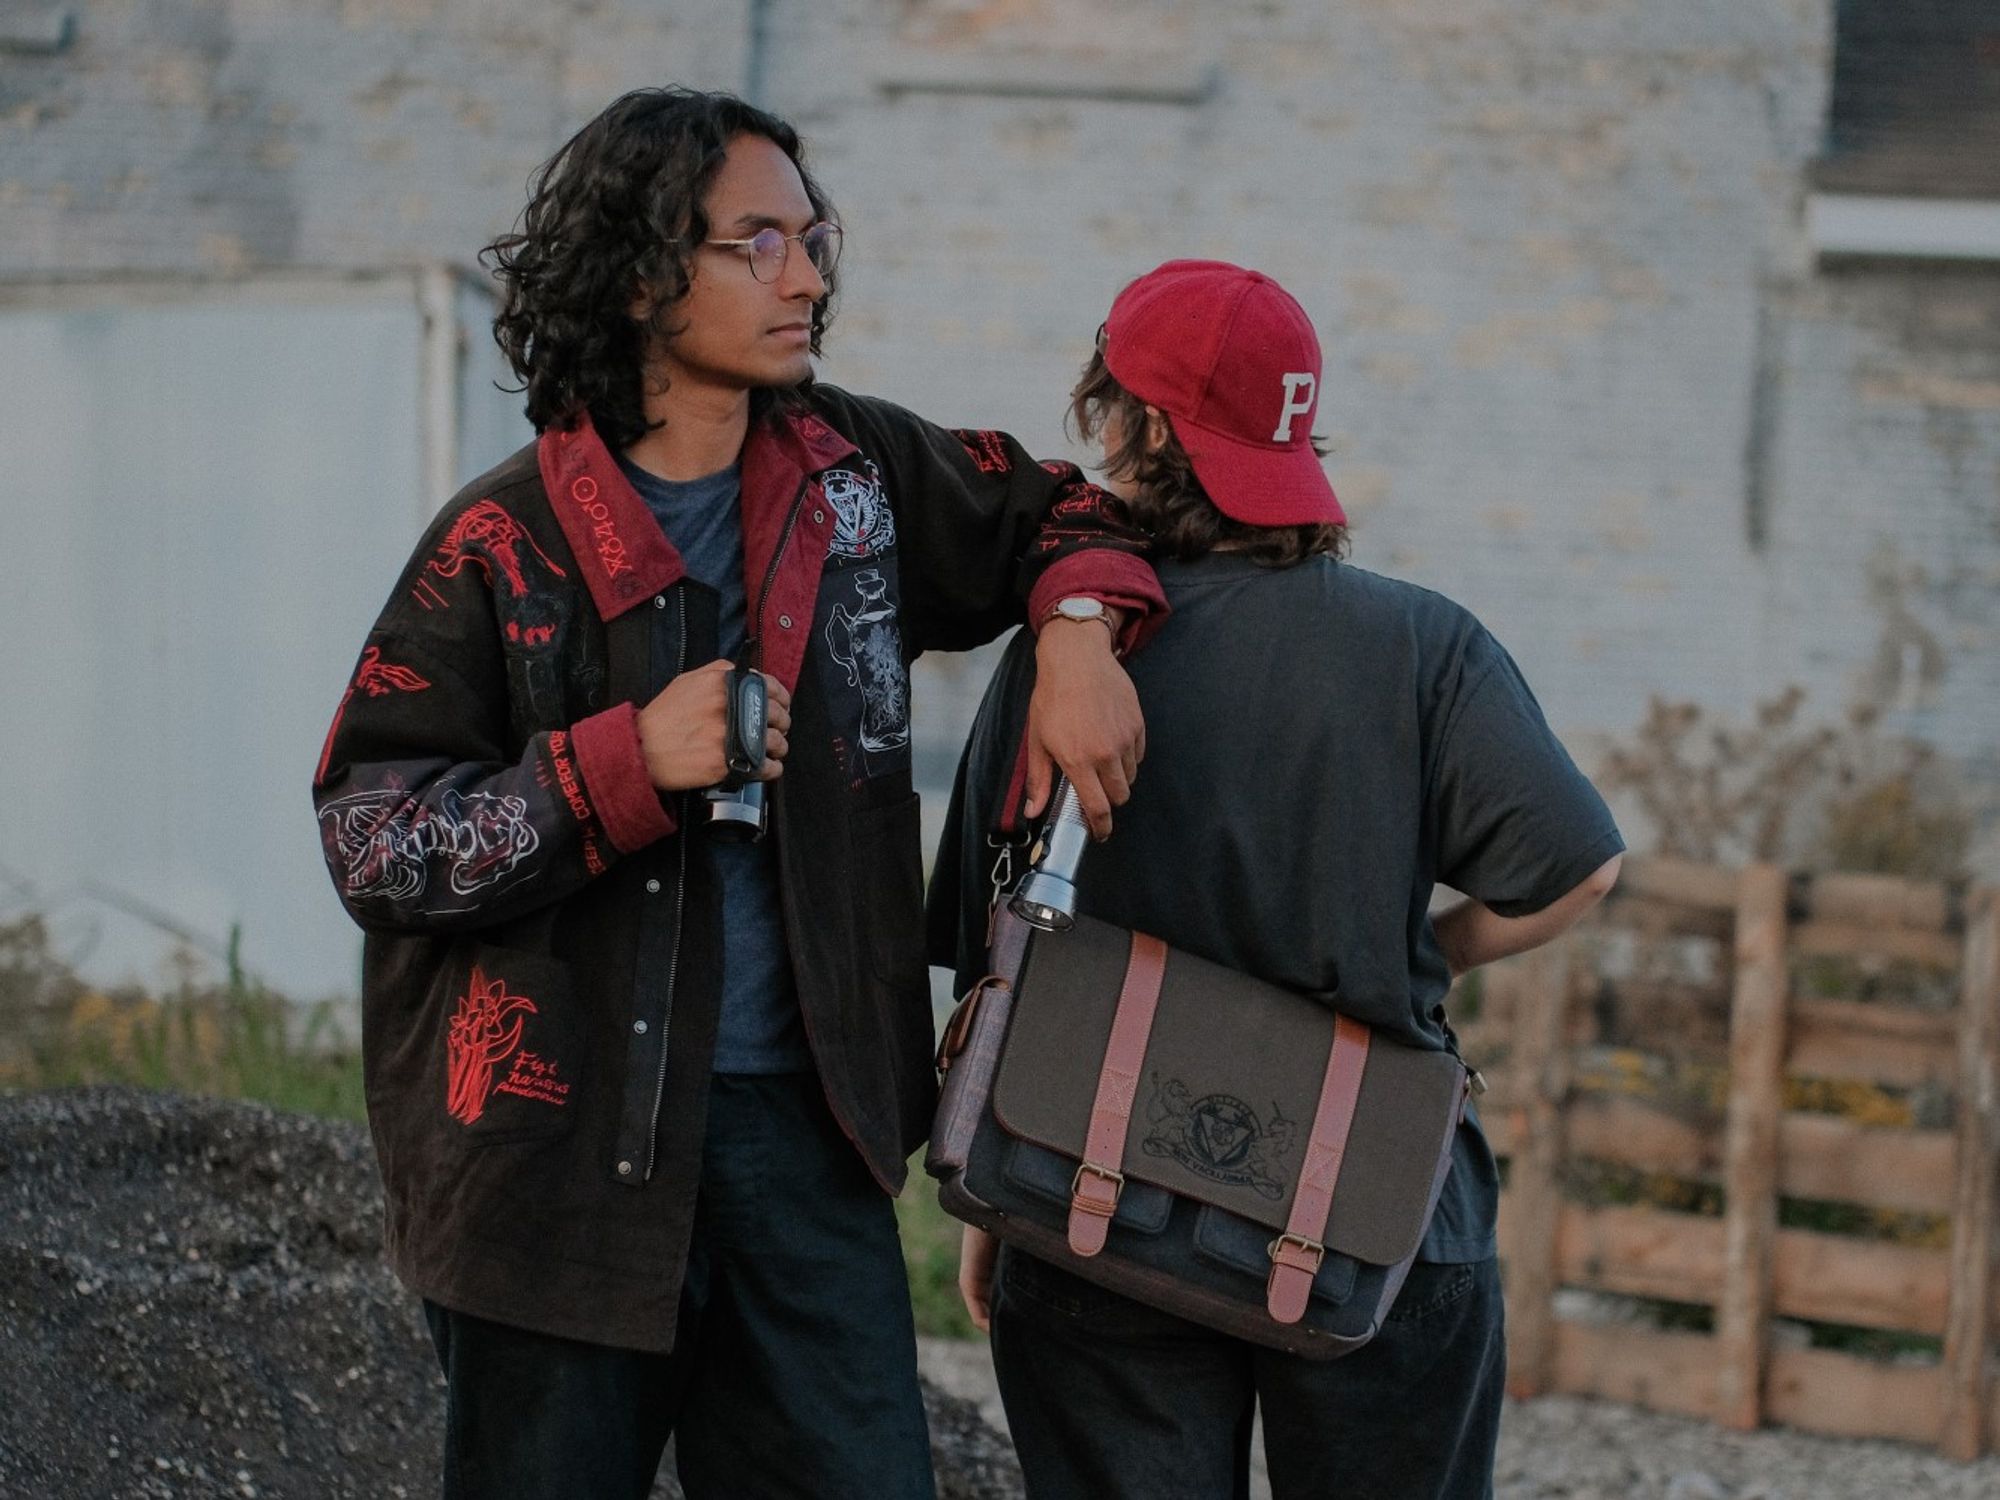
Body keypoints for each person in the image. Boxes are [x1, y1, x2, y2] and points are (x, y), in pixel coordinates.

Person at [311, 87, 1166, 1500]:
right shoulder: (496, 542)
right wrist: (623, 767)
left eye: (813, 236)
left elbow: (1073, 514)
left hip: (810, 1147)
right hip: (551, 1166)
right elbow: (374, 838)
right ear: (647, 272)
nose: (811, 276)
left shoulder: (864, 481)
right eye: (757, 244)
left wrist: (1075, 636)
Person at [930, 260, 1625, 1500]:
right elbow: (1576, 874)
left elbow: (1007, 943)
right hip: (1374, 1209)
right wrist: (1440, 953)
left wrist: (996, 1210)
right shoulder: (1425, 646)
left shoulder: (1069, 663)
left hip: (1094, 1183)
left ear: (1141, 425)